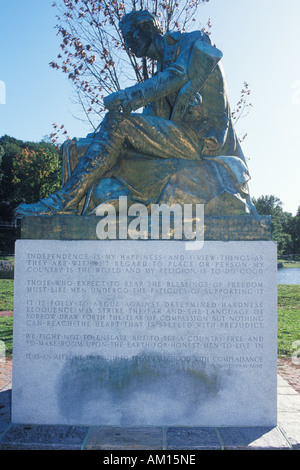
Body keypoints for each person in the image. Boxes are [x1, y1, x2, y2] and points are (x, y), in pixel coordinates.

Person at [16, 10, 256, 217]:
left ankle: (63, 202)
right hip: (180, 137)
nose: (128, 44)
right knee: (108, 132)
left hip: (203, 140)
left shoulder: (192, 41)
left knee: (118, 123)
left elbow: (179, 75)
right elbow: (149, 122)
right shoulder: (159, 76)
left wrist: (126, 97)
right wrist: (101, 139)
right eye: (125, 39)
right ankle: (75, 198)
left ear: (150, 28)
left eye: (131, 35)